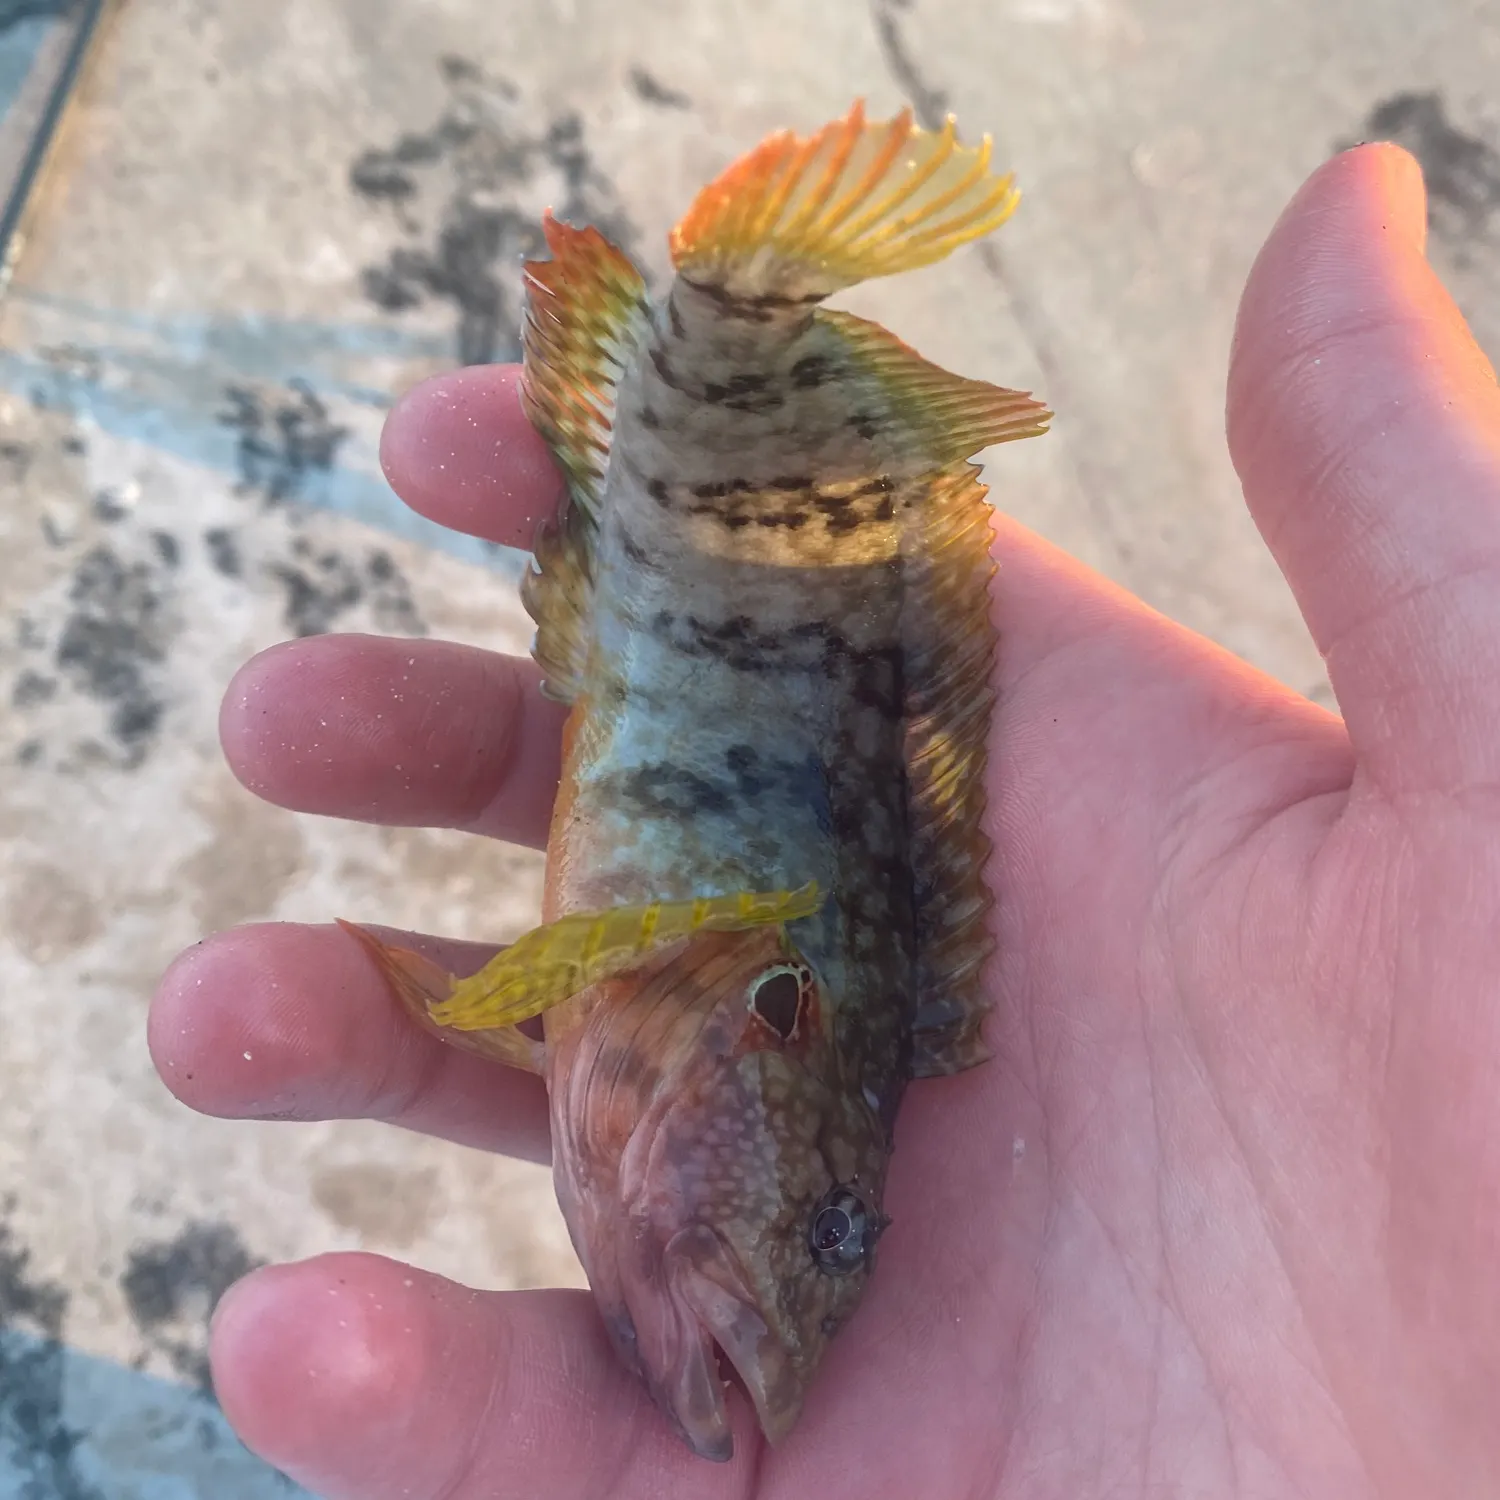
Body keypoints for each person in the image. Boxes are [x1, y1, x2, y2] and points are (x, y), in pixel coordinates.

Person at [150, 143, 1500, 1498]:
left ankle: (719, 333)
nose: (781, 1325)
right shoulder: (701, 1010)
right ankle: (740, 314)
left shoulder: (727, 1032)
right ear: (772, 1021)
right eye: (833, 1232)